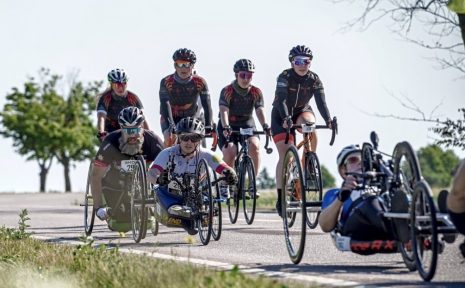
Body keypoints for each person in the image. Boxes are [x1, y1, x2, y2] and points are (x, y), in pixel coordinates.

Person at [148, 117, 238, 235]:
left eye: (194, 138)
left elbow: (224, 167)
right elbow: (151, 173)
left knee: (206, 214)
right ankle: (184, 217)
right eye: (185, 137)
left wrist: (230, 174)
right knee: (171, 207)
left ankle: (192, 217)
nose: (189, 142)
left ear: (199, 140)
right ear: (179, 137)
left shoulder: (207, 154)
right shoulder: (167, 153)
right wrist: (159, 179)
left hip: (198, 195)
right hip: (171, 195)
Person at [272, 45, 333, 216]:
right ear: (292, 62)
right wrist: (285, 118)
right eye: (298, 61)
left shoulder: (314, 79)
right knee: (285, 154)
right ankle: (280, 196)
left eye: (306, 61)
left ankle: (308, 161)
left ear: (310, 63)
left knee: (310, 124)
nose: (302, 65)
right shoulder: (284, 76)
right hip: (280, 113)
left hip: (302, 110)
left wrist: (328, 120)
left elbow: (321, 102)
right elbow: (282, 101)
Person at [91, 106, 164, 221]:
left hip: (144, 180)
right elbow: (96, 176)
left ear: (142, 127)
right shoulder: (110, 142)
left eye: (136, 130)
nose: (132, 135)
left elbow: (167, 168)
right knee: (120, 217)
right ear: (121, 128)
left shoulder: (153, 141)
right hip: (115, 181)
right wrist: (98, 208)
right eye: (128, 131)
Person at [318, 145, 404, 242]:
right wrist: (340, 199)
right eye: (353, 160)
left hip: (385, 222)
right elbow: (325, 226)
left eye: (365, 160)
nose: (360, 163)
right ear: (343, 170)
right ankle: (399, 231)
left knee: (397, 198)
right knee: (371, 201)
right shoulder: (335, 193)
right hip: (355, 228)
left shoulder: (382, 187)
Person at [218, 59, 271, 198]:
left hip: (247, 124)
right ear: (236, 75)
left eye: (249, 75)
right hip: (229, 124)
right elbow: (223, 110)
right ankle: (224, 183)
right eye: (243, 75)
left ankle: (253, 182)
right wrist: (225, 126)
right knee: (230, 151)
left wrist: (265, 125)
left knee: (254, 146)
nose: (246, 78)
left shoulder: (256, 92)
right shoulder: (227, 90)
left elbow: (259, 110)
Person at [159, 48, 213, 146]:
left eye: (187, 64)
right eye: (180, 64)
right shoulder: (166, 81)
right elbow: (165, 104)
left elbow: (207, 105)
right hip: (171, 117)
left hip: (191, 117)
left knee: (196, 142)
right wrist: (171, 124)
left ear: (192, 66)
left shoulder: (200, 82)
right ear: (175, 65)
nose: (183, 68)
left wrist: (209, 124)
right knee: (170, 140)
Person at [96, 68, 150, 141]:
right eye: (117, 84)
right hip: (111, 131)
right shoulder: (105, 98)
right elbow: (101, 118)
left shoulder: (133, 97)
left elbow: (143, 118)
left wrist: (149, 133)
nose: (120, 87)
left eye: (123, 83)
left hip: (130, 130)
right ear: (111, 84)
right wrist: (101, 132)